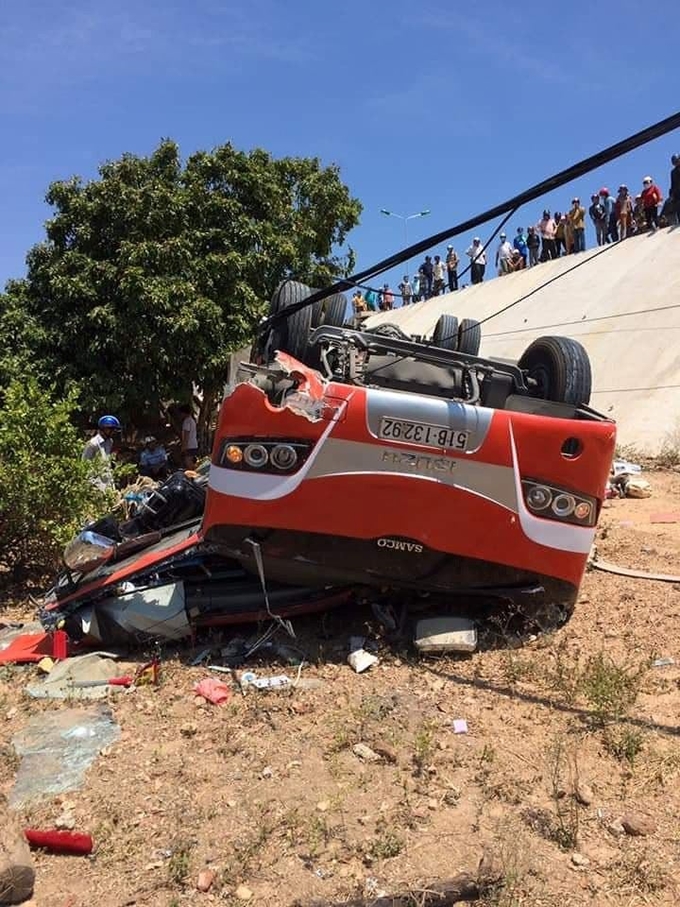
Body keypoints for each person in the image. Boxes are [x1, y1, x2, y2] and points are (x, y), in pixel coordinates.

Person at [82, 414, 120, 491]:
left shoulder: (109, 442)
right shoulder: (93, 444)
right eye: (111, 430)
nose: (113, 432)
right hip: (96, 483)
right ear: (104, 429)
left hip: (107, 480)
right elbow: (84, 464)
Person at [180, 404, 198, 468]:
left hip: (189, 446)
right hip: (194, 444)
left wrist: (183, 447)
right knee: (192, 463)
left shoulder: (186, 421)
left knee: (188, 463)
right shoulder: (192, 420)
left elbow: (186, 436)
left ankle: (194, 477)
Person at [670, 154, 680, 226]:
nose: (675, 162)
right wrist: (671, 192)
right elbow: (672, 183)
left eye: (676, 160)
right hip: (677, 193)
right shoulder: (673, 172)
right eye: (674, 161)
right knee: (678, 209)